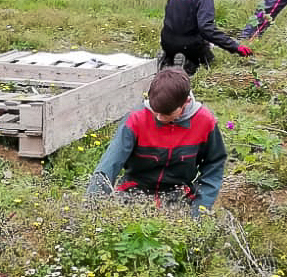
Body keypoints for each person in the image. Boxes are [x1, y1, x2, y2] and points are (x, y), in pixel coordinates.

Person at [87, 68, 226, 215]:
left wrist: (200, 208)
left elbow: (214, 164)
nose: (159, 118)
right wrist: (92, 208)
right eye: (155, 111)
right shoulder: (136, 119)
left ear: (186, 102)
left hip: (179, 196)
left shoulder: (205, 121)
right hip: (134, 194)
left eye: (166, 114)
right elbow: (109, 165)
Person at [159, 0, 253, 74]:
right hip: (189, 46)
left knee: (191, 43)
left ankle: (168, 60)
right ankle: (188, 66)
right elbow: (206, 28)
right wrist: (235, 46)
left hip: (166, 42)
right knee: (209, 61)